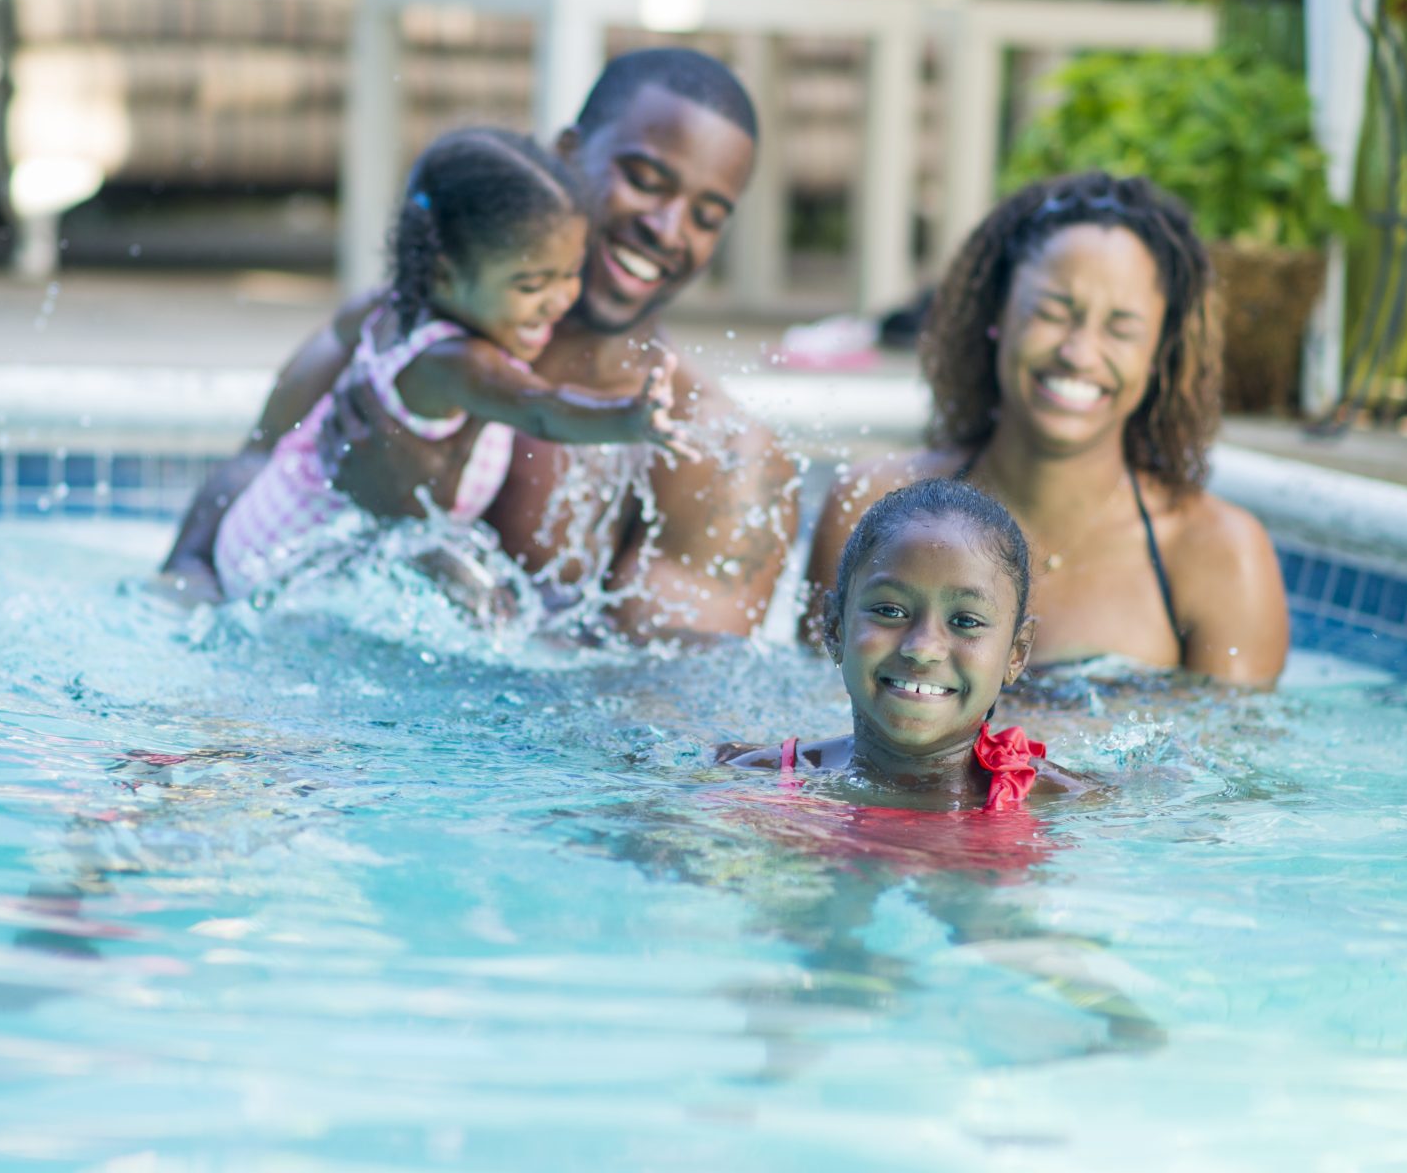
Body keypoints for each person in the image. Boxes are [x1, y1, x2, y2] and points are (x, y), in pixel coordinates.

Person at [162, 49, 799, 637]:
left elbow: (658, 704)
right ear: (568, 154)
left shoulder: (718, 458)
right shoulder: (397, 329)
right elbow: (230, 504)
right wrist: (184, 608)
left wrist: (409, 525)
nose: (667, 229)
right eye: (644, 180)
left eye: (706, 217)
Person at [804, 172, 1289, 685]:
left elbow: (1234, 739)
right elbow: (816, 710)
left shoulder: (1218, 556)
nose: (1079, 353)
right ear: (997, 315)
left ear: (1160, 353)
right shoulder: (872, 506)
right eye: (1053, 312)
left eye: (1121, 328)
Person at [211, 128, 700, 599]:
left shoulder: (387, 308)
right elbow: (540, 408)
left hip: (253, 534)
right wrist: (626, 418)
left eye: (571, 273)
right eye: (531, 285)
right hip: (284, 565)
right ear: (444, 275)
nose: (560, 300)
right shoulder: (453, 363)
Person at [724, 479, 1094, 811]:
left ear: (1017, 653)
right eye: (890, 611)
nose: (923, 647)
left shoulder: (1063, 800)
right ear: (835, 629)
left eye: (966, 621)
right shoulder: (753, 778)